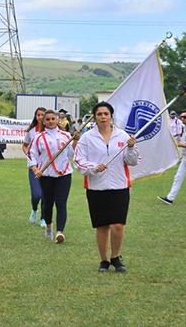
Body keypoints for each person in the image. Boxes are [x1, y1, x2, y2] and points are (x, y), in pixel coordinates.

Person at [74, 102, 140, 273]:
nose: (103, 117)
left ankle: (116, 257)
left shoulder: (123, 136)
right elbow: (78, 162)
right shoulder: (87, 138)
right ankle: (104, 260)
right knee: (102, 226)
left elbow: (132, 161)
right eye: (99, 114)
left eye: (106, 114)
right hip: (96, 187)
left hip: (120, 186)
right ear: (94, 117)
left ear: (111, 116)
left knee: (118, 225)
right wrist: (94, 166)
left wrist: (131, 147)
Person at [29, 110, 74, 243]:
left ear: (57, 120)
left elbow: (72, 153)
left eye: (53, 119)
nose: (50, 121)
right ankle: (49, 226)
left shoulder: (66, 136)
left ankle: (60, 232)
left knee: (61, 203)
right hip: (46, 175)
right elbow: (32, 154)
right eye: (47, 119)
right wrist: (35, 168)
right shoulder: (38, 137)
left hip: (64, 174)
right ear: (43, 121)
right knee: (48, 203)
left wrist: (75, 141)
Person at [22, 107, 46, 227]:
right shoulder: (31, 132)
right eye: (38, 115)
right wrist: (28, 154)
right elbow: (25, 145)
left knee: (45, 194)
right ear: (35, 117)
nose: (40, 117)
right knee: (37, 194)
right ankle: (34, 209)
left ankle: (43, 218)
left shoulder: (50, 132)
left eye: (43, 115)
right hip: (34, 168)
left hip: (47, 168)